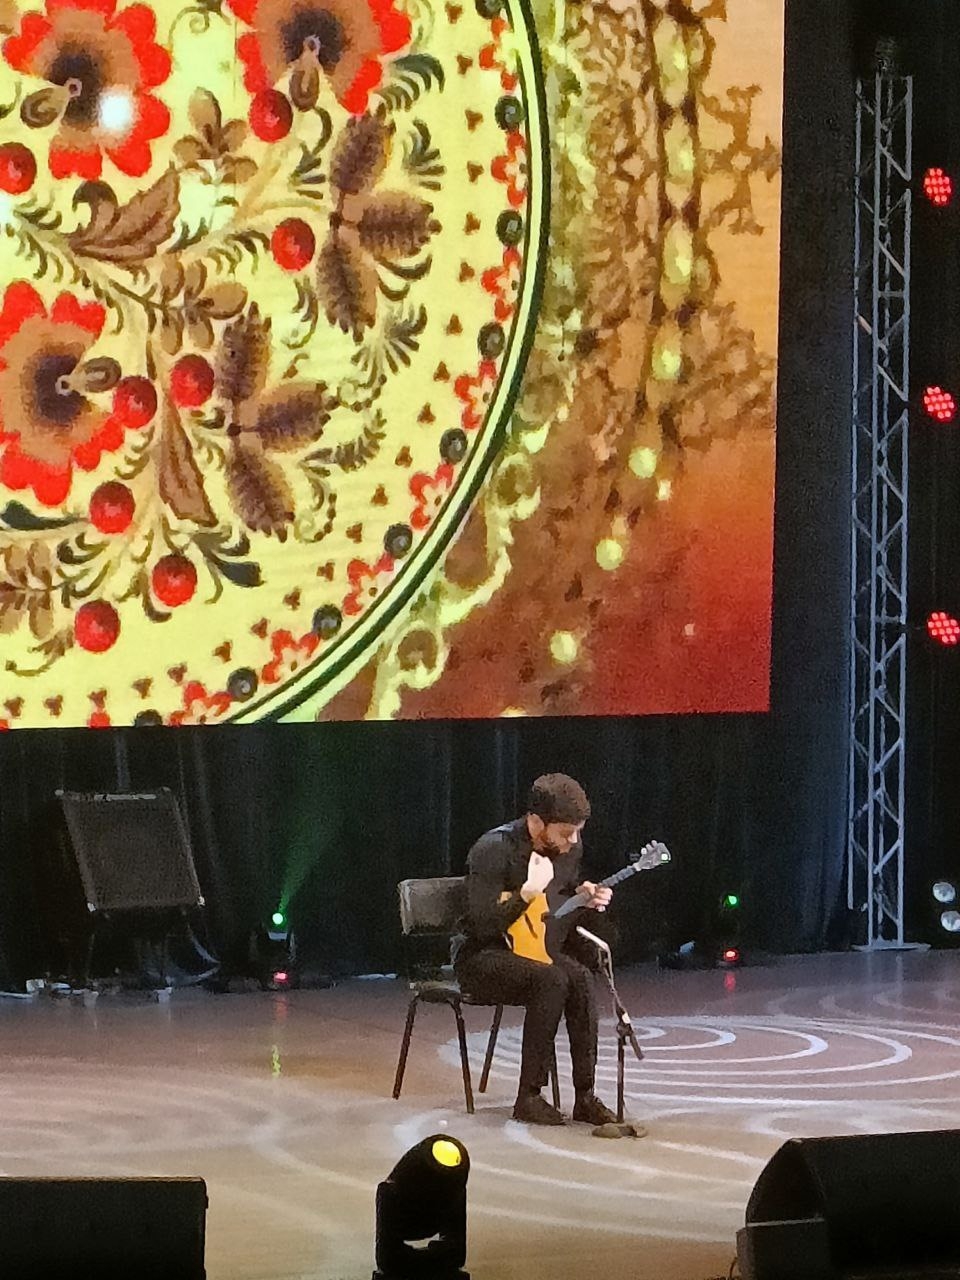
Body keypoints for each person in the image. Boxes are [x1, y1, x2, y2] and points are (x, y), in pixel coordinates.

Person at [454, 773, 619, 1126]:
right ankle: (528, 1096)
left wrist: (584, 898)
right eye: (565, 832)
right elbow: (482, 926)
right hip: (483, 956)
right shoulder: (492, 849)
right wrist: (527, 893)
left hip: (536, 950)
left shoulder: (568, 850)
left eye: (578, 832)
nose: (572, 841)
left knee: (580, 978)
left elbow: (555, 913)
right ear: (535, 821)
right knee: (552, 980)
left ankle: (585, 1096)